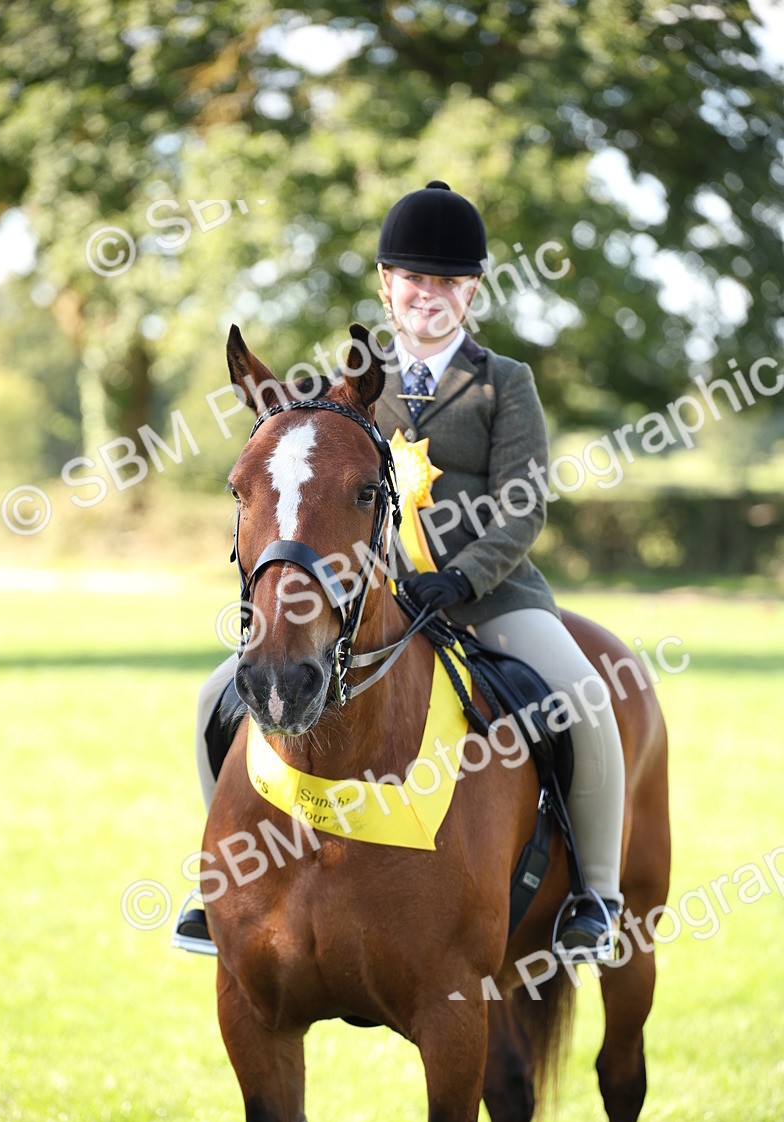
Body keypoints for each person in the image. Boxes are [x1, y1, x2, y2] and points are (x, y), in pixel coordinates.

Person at [175, 181, 624, 961]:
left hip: (486, 599)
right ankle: (224, 883)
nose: (430, 294)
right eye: (415, 279)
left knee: (584, 698)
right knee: (216, 696)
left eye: (449, 282)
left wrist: (463, 578)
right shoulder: (347, 393)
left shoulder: (503, 383)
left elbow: (522, 507)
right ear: (388, 285)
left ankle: (598, 894)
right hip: (366, 605)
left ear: (472, 290)